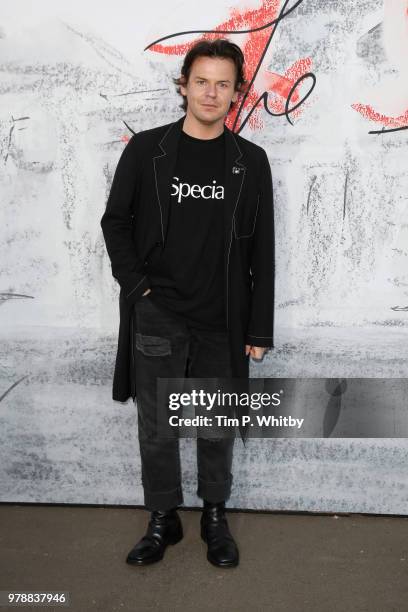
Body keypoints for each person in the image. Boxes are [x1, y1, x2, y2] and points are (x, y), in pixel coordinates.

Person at [100, 38, 275, 568]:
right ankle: (163, 519)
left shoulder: (251, 161)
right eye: (202, 81)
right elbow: (116, 223)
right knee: (157, 425)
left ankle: (214, 517)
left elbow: (263, 250)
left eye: (223, 83)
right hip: (159, 313)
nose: (211, 92)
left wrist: (258, 330)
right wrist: (140, 289)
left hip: (223, 318)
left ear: (237, 92)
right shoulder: (146, 150)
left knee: (215, 424)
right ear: (184, 85)